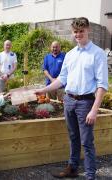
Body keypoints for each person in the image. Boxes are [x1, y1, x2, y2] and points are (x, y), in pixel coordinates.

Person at [35, 17, 108, 180]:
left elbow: (102, 85)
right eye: (75, 32)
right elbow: (62, 79)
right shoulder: (70, 54)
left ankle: (90, 176)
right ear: (72, 32)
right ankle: (73, 168)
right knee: (73, 137)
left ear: (88, 30)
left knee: (87, 142)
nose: (78, 34)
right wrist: (42, 90)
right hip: (69, 100)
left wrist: (94, 110)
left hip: (85, 102)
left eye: (81, 31)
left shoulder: (98, 53)